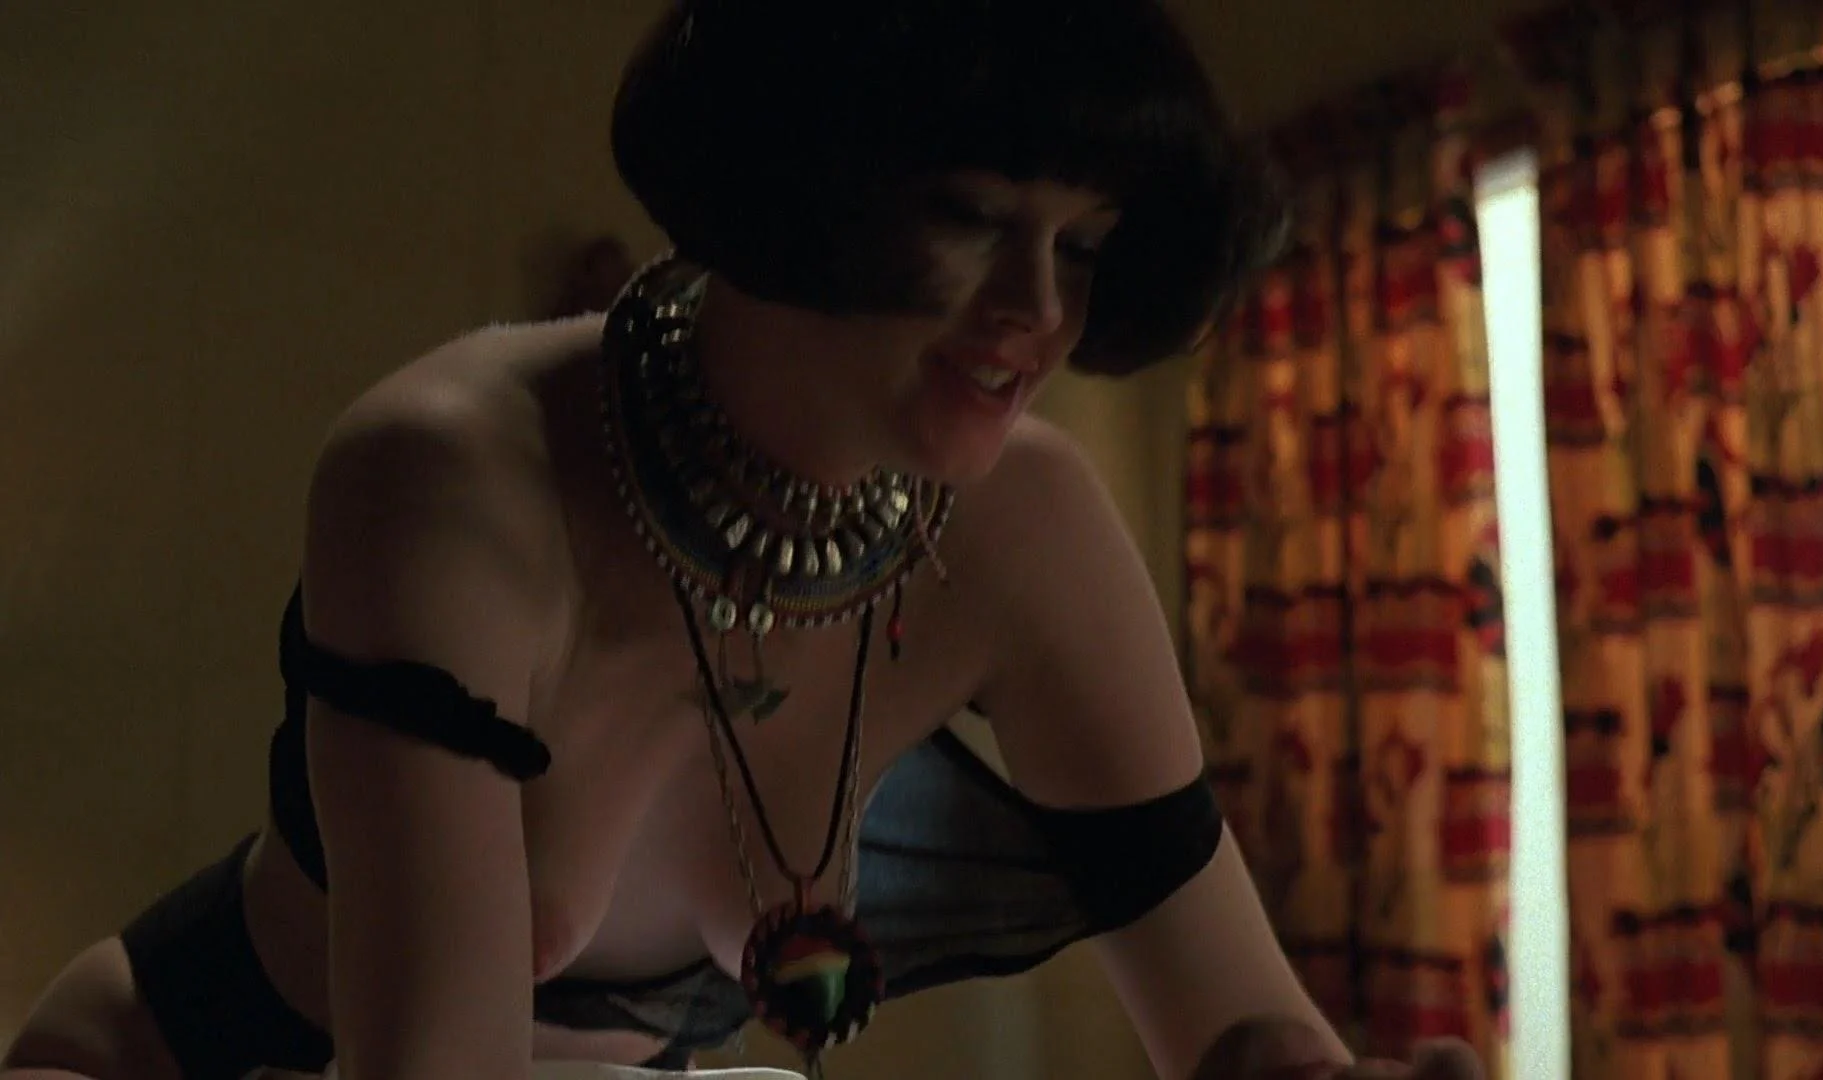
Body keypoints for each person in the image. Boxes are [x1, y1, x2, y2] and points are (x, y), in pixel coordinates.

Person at [1, 2, 1486, 1079]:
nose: (1038, 308)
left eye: (1084, 244)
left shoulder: (1028, 526)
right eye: (971, 217)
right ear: (806, 182)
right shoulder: (454, 472)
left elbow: (1238, 1020)